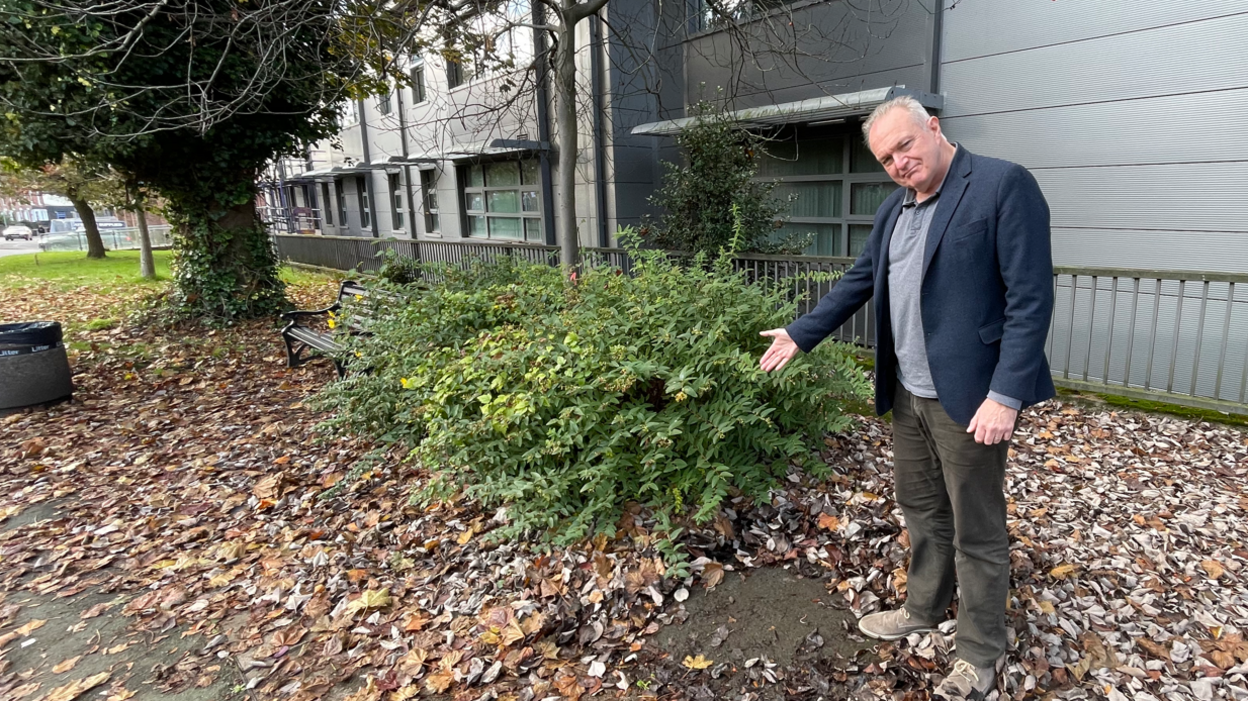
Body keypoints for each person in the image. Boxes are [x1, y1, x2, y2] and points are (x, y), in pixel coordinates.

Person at [758, 96, 1054, 700]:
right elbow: (861, 280)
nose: (897, 162)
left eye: (904, 146)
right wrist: (803, 331)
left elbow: (1030, 300)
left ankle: (977, 652)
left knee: (978, 531)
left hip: (970, 399)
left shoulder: (1001, 185)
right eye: (885, 157)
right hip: (908, 395)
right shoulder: (894, 209)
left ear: (934, 128)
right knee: (922, 512)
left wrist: (1006, 394)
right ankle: (924, 608)